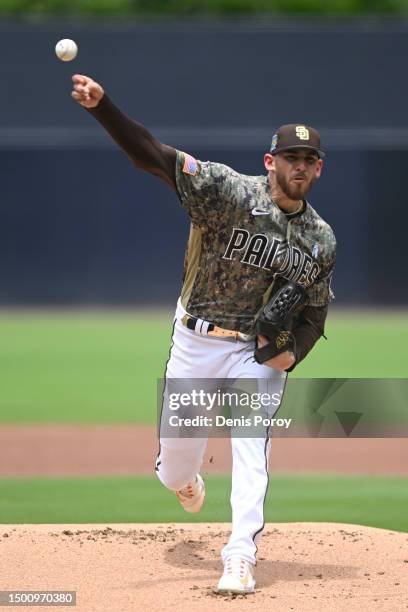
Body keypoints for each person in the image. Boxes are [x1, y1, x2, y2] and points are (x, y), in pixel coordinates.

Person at [71, 74, 336, 594]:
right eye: (291, 157)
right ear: (270, 162)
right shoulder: (227, 192)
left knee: (250, 445)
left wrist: (291, 354)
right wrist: (103, 108)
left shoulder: (320, 239)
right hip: (194, 342)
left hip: (252, 356)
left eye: (309, 159)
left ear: (319, 168)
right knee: (174, 471)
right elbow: (151, 154)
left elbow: (314, 318)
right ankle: (183, 477)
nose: (299, 166)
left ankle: (239, 556)